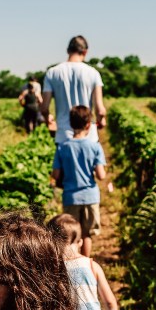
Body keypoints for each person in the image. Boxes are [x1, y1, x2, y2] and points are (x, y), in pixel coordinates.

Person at [51, 105, 107, 257]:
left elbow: (55, 175)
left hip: (70, 196)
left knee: (72, 234)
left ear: (70, 124)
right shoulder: (95, 146)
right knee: (86, 234)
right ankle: (86, 263)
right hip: (90, 195)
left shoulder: (62, 147)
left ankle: (72, 265)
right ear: (89, 124)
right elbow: (101, 175)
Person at [41, 35, 107, 145]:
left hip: (63, 136)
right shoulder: (93, 73)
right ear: (85, 52)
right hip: (88, 136)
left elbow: (44, 108)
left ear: (68, 51)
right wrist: (101, 120)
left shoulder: (52, 73)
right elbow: (100, 110)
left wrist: (48, 119)